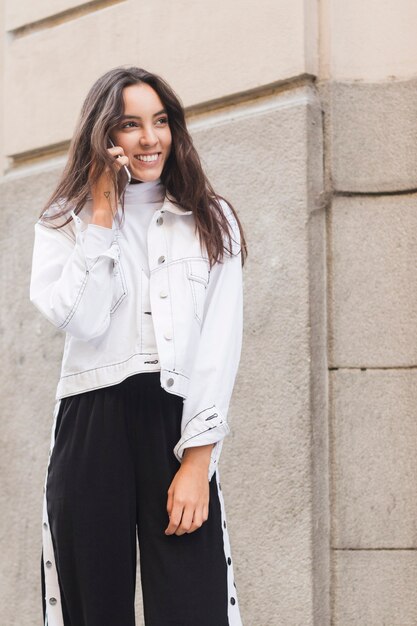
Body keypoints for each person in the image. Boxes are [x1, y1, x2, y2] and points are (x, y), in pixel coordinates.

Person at [30, 66, 247, 626]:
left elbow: (219, 348)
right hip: (90, 418)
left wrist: (198, 462)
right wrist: (102, 215)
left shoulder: (211, 219)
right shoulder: (64, 222)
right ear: (105, 135)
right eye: (131, 124)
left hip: (176, 424)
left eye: (160, 121)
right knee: (91, 607)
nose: (150, 139)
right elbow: (80, 320)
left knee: (193, 604)